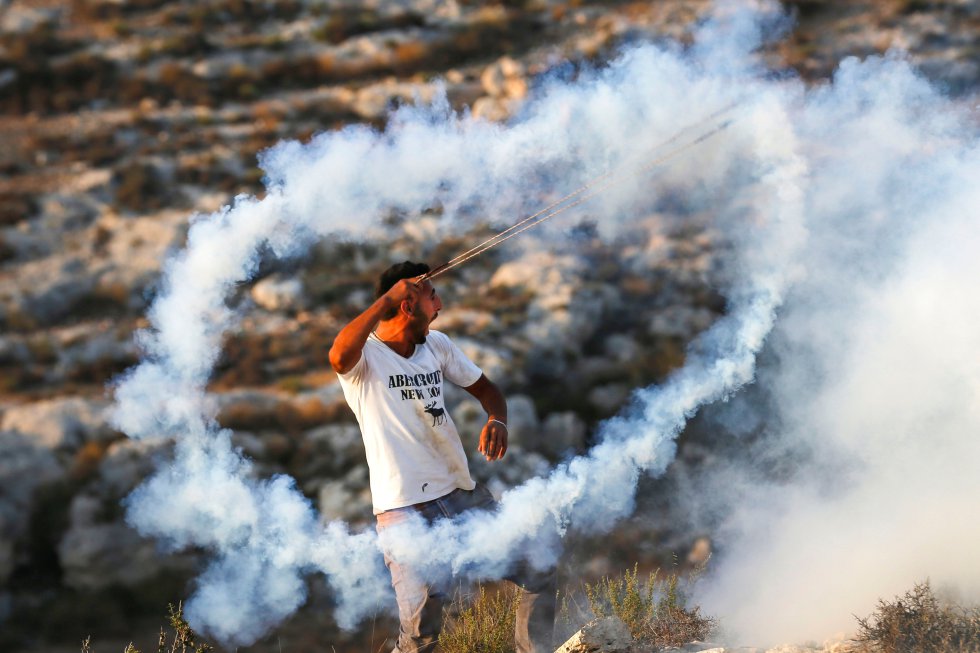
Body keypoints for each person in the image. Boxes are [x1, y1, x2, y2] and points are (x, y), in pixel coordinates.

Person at [329, 261, 556, 653]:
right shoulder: (365, 359)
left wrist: (497, 419)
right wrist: (386, 297)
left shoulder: (438, 345)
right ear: (407, 305)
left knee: (539, 566)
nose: (441, 305)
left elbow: (489, 391)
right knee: (421, 634)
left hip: (461, 493)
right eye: (432, 296)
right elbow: (337, 356)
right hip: (405, 511)